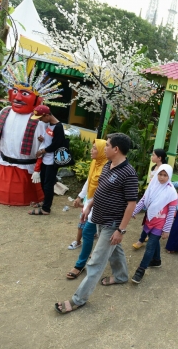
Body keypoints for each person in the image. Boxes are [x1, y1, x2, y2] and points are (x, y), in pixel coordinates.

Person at [55, 133, 138, 314]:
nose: (104, 147)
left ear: (116, 149)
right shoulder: (109, 164)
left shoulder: (129, 173)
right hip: (99, 217)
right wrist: (89, 206)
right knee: (115, 250)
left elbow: (132, 204)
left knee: (95, 263)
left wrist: (121, 230)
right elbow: (100, 188)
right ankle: (122, 275)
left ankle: (78, 299)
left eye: (107, 145)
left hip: (112, 223)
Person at [0, 61, 61, 206]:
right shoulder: (4, 112)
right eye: (15, 91)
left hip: (28, 168)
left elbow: (45, 145)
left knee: (27, 193)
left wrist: (39, 168)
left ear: (37, 99)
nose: (18, 97)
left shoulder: (40, 119)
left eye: (25, 94)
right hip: (5, 163)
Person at [64, 139, 107, 279]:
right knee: (91, 233)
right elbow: (89, 181)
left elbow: (103, 190)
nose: (91, 150)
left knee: (92, 232)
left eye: (95, 148)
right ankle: (83, 261)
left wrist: (90, 205)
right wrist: (80, 197)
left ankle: (81, 264)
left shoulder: (107, 167)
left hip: (100, 205)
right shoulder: (95, 163)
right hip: (90, 201)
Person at [131, 164, 178, 284]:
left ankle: (140, 270)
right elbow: (143, 200)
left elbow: (171, 213)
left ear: (169, 176)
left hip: (160, 224)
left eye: (165, 175)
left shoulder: (171, 192)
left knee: (150, 246)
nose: (162, 177)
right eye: (160, 174)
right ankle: (157, 261)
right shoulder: (153, 185)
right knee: (153, 241)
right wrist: (134, 211)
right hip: (149, 220)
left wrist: (166, 230)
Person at [28, 105, 65, 215]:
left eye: (40, 118)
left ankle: (46, 209)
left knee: (48, 184)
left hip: (52, 161)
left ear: (47, 115)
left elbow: (57, 144)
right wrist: (43, 139)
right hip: (46, 159)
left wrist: (42, 151)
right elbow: (50, 139)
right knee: (44, 181)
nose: (40, 120)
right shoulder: (49, 124)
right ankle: (45, 202)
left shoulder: (58, 127)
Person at [132, 148, 167, 250]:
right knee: (148, 219)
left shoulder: (164, 169)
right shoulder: (153, 167)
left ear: (159, 158)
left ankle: (141, 240)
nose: (152, 157)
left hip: (158, 199)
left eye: (153, 155)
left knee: (151, 219)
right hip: (150, 195)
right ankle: (145, 237)